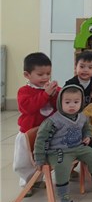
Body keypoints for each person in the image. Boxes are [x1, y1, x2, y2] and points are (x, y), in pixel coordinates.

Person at [33, 85, 92, 202]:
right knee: (62, 166)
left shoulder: (82, 116)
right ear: (60, 103)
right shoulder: (53, 121)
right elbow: (41, 140)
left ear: (81, 102)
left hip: (78, 147)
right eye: (67, 102)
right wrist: (39, 158)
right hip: (58, 151)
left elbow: (87, 128)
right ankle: (63, 195)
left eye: (76, 102)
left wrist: (88, 136)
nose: (72, 105)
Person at [14, 52, 59, 190]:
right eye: (40, 74)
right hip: (28, 131)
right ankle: (27, 183)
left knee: (42, 157)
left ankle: (38, 179)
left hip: (47, 131)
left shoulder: (51, 88)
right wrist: (45, 95)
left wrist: (55, 94)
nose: (45, 77)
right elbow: (28, 108)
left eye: (48, 73)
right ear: (27, 75)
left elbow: (60, 105)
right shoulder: (24, 91)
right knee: (25, 161)